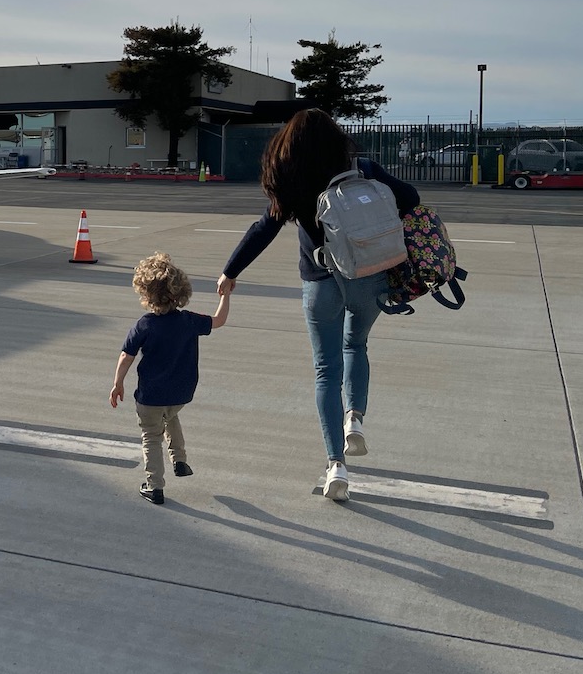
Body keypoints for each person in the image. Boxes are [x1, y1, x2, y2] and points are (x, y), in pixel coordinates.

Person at [216, 109, 419, 502]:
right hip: (369, 279)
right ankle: (355, 420)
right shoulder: (361, 168)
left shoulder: (292, 180)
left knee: (326, 370)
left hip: (320, 283)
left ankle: (336, 466)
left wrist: (230, 270)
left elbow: (264, 229)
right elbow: (410, 198)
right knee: (356, 346)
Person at [110, 251, 230, 504]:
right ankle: (180, 460)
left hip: (151, 396)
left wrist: (118, 383)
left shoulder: (144, 325)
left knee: (151, 436)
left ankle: (154, 487)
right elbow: (219, 320)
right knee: (171, 416)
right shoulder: (189, 321)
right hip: (181, 394)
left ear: (146, 294)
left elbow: (126, 356)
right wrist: (225, 295)